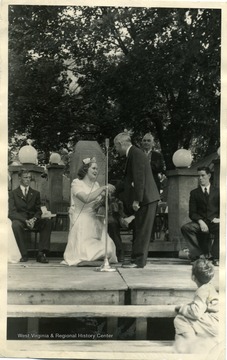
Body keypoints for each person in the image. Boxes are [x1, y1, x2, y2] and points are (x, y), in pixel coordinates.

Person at [114, 132, 160, 268]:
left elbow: (139, 179)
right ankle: (136, 259)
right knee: (139, 229)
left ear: (121, 144)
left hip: (146, 198)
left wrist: (137, 200)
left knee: (142, 231)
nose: (116, 150)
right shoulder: (135, 153)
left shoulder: (136, 154)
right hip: (147, 198)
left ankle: (138, 261)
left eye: (116, 147)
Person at [61, 157, 117, 266]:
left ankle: (92, 261)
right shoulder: (76, 183)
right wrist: (102, 189)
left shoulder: (95, 185)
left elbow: (99, 202)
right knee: (84, 252)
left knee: (108, 250)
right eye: (94, 168)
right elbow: (86, 199)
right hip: (82, 220)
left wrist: (107, 199)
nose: (96, 171)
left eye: (97, 169)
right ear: (85, 169)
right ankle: (86, 260)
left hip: (96, 220)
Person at [174, 258, 219, 353]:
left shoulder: (202, 290)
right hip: (217, 321)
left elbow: (196, 313)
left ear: (193, 277)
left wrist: (182, 308)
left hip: (213, 322)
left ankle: (192, 343)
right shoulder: (209, 287)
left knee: (180, 320)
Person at [8, 168, 52, 263]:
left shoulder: (36, 193)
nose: (28, 179)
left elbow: (38, 210)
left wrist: (34, 219)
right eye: (25, 177)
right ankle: (23, 254)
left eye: (29, 177)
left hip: (34, 220)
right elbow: (12, 212)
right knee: (15, 225)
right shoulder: (13, 194)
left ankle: (41, 254)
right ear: (20, 178)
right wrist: (25, 221)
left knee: (47, 222)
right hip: (21, 220)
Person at [181, 166, 219, 266]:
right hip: (200, 222)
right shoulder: (194, 193)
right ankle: (198, 255)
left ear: (209, 176)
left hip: (214, 222)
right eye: (199, 176)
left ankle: (216, 257)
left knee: (223, 227)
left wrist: (220, 219)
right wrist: (201, 222)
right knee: (186, 228)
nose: (200, 178)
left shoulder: (218, 191)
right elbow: (192, 213)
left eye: (203, 175)